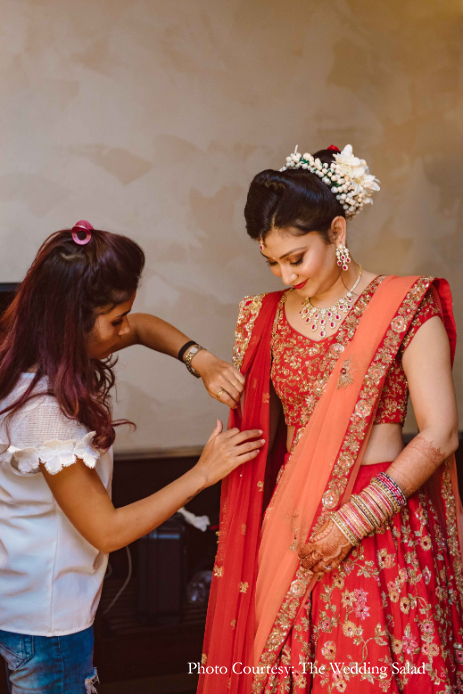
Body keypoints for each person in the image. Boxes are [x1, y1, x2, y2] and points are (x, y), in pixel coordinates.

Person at [198, 146, 463, 694]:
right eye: (271, 261)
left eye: (297, 257)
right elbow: (263, 433)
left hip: (381, 523)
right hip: (294, 525)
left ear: (337, 234)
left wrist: (354, 519)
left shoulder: (405, 305)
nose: (285, 273)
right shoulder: (265, 316)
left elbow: (441, 432)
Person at [0, 222, 265, 694]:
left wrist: (196, 357)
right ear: (72, 322)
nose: (126, 327)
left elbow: (141, 326)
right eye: (115, 320)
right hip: (47, 622)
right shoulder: (44, 415)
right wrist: (202, 473)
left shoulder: (30, 346)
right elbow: (108, 530)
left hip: (26, 597)